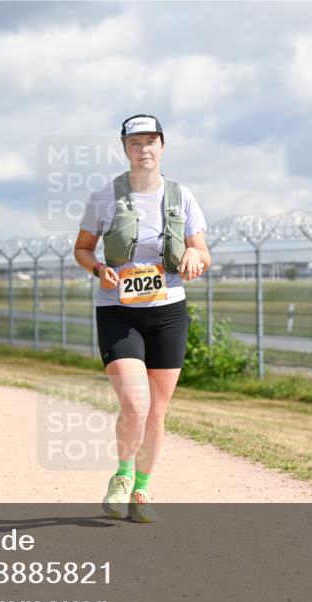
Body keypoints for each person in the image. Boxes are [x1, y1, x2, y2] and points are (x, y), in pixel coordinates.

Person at [73, 114, 211, 523]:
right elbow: (82, 249)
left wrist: (193, 255)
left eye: (150, 141)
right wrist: (99, 269)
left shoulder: (181, 196)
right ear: (125, 149)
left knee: (156, 412)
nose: (143, 149)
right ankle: (122, 475)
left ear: (162, 146)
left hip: (168, 312)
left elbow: (203, 253)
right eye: (135, 143)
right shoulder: (105, 197)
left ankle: (142, 490)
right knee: (135, 403)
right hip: (118, 311)